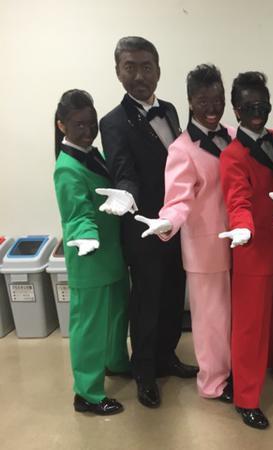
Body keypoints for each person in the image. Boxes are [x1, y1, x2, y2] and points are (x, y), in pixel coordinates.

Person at [99, 36, 197, 409]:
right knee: (146, 301)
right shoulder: (113, 122)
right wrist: (126, 195)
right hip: (143, 226)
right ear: (118, 71)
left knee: (173, 293)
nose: (139, 75)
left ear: (158, 70)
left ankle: (166, 356)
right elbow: (124, 171)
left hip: (177, 223)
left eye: (146, 67)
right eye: (130, 67)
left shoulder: (170, 110)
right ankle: (144, 372)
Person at [134, 64, 234, 403]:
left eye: (217, 100)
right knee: (210, 322)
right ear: (190, 101)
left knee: (231, 317)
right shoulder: (182, 149)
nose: (211, 108)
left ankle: (232, 370)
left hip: (239, 243)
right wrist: (166, 222)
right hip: (205, 249)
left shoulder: (232, 135)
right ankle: (212, 382)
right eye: (203, 101)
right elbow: (178, 200)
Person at [219, 71, 273, 429]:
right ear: (236, 110)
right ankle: (246, 398)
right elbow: (237, 199)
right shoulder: (233, 155)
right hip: (251, 250)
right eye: (248, 106)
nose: (257, 112)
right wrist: (243, 226)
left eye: (262, 104)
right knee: (250, 328)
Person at [53, 89, 130, 415]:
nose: (87, 131)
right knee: (90, 325)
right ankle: (87, 393)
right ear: (62, 126)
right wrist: (86, 235)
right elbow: (77, 214)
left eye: (91, 123)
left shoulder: (93, 153)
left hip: (112, 253)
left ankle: (116, 362)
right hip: (90, 256)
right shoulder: (67, 167)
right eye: (78, 125)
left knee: (117, 315)